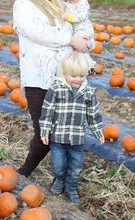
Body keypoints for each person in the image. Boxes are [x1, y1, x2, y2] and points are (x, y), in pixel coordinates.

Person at [13, 0, 88, 177]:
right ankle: (23, 172)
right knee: (44, 133)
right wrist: (71, 38)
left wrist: (86, 39)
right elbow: (39, 34)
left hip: (63, 79)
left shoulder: (63, 7)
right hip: (37, 79)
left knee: (63, 132)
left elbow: (83, 27)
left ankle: (63, 175)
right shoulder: (22, 6)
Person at [39, 52, 104, 204]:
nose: (78, 79)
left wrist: (97, 131)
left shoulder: (88, 92)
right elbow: (48, 110)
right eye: (73, 76)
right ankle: (60, 180)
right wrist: (45, 130)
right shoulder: (56, 88)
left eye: (81, 76)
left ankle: (72, 188)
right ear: (65, 73)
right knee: (58, 164)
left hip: (77, 140)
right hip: (58, 137)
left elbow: (93, 114)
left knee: (75, 167)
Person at [62, 0, 96, 72]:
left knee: (78, 49)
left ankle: (89, 66)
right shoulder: (70, 2)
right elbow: (65, 6)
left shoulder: (83, 4)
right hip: (76, 31)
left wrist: (69, 17)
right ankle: (84, 65)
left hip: (84, 31)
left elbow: (83, 16)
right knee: (78, 50)